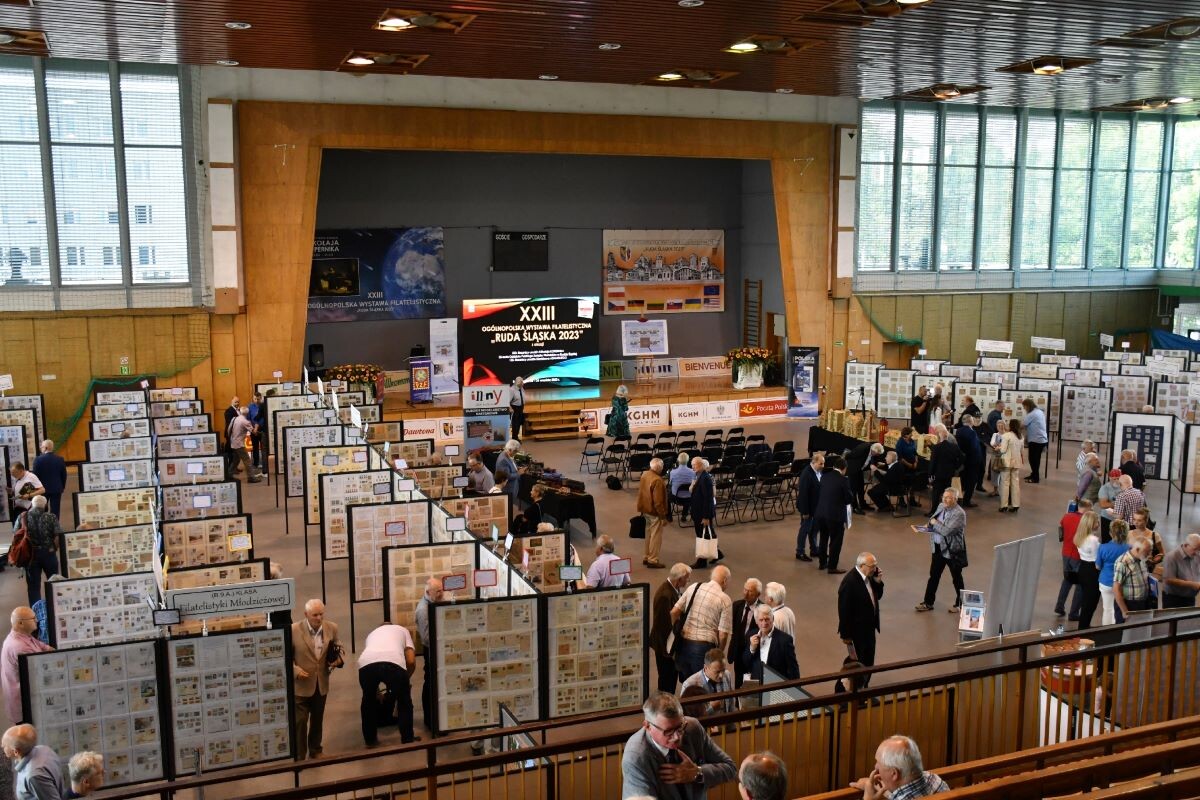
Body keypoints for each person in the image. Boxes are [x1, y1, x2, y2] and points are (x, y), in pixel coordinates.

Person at [619, 691, 736, 800]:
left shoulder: (693, 727)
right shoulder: (636, 756)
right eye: (668, 731)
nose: (677, 737)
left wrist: (697, 773)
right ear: (648, 726)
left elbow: (731, 768)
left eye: (680, 727)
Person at [291, 599, 342, 760]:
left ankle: (316, 750)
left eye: (321, 614)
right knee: (300, 722)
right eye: (315, 615)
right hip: (300, 685)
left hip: (321, 683)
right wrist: (295, 671)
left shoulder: (332, 628)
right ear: (306, 614)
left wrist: (338, 660)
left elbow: (339, 648)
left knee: (317, 719)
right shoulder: (293, 630)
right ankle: (299, 756)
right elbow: (285, 656)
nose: (319, 618)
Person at [357, 623, 418, 746]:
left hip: (365, 665)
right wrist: (405, 680)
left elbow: (373, 661)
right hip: (393, 662)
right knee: (404, 701)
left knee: (368, 702)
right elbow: (411, 661)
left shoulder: (371, 634)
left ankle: (370, 740)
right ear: (392, 625)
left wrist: (377, 692)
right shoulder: (403, 630)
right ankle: (407, 739)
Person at [670, 564, 732, 680]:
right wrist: (718, 653)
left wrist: (676, 630)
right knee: (703, 685)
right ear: (725, 581)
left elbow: (674, 612)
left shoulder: (694, 587)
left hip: (683, 646)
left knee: (688, 684)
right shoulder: (725, 600)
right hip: (704, 649)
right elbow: (723, 635)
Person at [914, 488, 967, 613]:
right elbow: (933, 520)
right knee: (934, 576)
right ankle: (928, 603)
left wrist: (934, 523)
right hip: (938, 548)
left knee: (956, 578)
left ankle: (961, 604)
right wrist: (928, 525)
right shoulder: (941, 506)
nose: (946, 500)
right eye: (944, 497)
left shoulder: (959, 514)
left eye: (949, 498)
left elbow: (946, 531)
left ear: (956, 499)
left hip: (951, 551)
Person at [851, 735, 949, 799]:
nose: (875, 766)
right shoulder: (934, 779)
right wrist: (886, 791)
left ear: (894, 774)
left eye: (878, 762)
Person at [838, 552, 884, 685]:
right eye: (872, 566)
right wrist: (846, 635)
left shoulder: (869, 576)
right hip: (857, 632)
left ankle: (864, 686)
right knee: (858, 662)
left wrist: (878, 581)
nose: (875, 569)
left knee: (869, 660)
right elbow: (843, 610)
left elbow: (878, 596)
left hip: (869, 629)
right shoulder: (849, 582)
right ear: (862, 565)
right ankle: (853, 687)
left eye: (876, 565)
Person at [2, 606, 53, 723]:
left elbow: (40, 645)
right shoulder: (20, 647)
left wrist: (50, 649)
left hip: (27, 697)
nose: (37, 620)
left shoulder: (22, 635)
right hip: (25, 704)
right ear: (20, 623)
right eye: (33, 618)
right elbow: (39, 672)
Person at [649, 564, 692, 693]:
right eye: (687, 578)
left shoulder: (672, 589)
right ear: (679, 579)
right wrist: (670, 652)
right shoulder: (665, 595)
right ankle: (664, 702)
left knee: (671, 679)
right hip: (665, 648)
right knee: (666, 681)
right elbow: (664, 627)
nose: (688, 581)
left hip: (668, 646)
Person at [814, 454, 854, 574]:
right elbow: (849, 499)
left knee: (823, 538)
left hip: (821, 513)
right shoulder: (843, 480)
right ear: (844, 468)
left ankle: (822, 563)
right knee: (836, 541)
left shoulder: (824, 477)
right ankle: (832, 567)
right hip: (835, 516)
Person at [3, 724, 64, 800]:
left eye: (5, 745)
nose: (2, 746)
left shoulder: (34, 775)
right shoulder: (44, 749)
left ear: (16, 752)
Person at [415, 578, 444, 731]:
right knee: (430, 683)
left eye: (441, 590)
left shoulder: (434, 602)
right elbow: (426, 638)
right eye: (438, 591)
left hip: (438, 648)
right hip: (431, 651)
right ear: (428, 592)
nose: (441, 594)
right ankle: (430, 721)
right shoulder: (423, 610)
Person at [22, 496, 61, 606]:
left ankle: (36, 610)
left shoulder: (23, 517)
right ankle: (55, 607)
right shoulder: (51, 517)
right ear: (45, 505)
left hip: (31, 555)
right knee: (54, 581)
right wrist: (53, 548)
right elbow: (58, 535)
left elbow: (16, 533)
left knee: (33, 586)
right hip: (48, 553)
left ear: (32, 505)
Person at [744, 604, 799, 681]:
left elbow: (793, 669)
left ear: (772, 619)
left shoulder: (785, 640)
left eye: (767, 619)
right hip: (756, 685)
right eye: (761, 620)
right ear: (756, 621)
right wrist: (752, 648)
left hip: (776, 685)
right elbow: (745, 663)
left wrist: (795, 687)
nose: (764, 623)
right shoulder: (750, 635)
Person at [1055, 499, 1090, 620]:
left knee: (1067, 580)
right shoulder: (1085, 521)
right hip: (1078, 555)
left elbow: (1062, 528)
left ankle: (1059, 606)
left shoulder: (1067, 516)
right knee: (1080, 584)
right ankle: (1074, 613)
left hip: (1066, 552)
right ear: (1087, 508)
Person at [680, 648, 737, 714]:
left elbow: (731, 703)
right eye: (717, 672)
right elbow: (686, 715)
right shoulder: (689, 684)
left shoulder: (727, 674)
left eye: (723, 670)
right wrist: (711, 709)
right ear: (706, 667)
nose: (721, 675)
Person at [1097, 519, 1130, 626]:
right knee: (1121, 609)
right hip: (1123, 583)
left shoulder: (1103, 547)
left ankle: (1107, 632)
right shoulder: (1130, 548)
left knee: (1107, 609)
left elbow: (1098, 566)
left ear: (1111, 533)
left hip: (1106, 581)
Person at [729, 578, 762, 687]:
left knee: (750, 685)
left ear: (758, 594)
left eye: (750, 591)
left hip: (752, 654)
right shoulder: (736, 605)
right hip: (738, 653)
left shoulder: (763, 610)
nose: (745, 594)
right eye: (745, 589)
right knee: (738, 683)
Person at [637, 457, 669, 569]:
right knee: (656, 537)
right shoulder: (658, 480)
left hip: (645, 509)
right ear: (660, 468)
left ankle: (646, 556)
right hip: (655, 512)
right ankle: (653, 560)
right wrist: (663, 516)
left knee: (648, 534)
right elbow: (658, 502)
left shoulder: (645, 474)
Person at [1073, 511, 1103, 629]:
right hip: (1092, 572)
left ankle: (1083, 625)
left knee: (1086, 600)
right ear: (1091, 523)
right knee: (1091, 602)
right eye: (1097, 522)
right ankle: (1084, 628)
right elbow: (1097, 560)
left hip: (1083, 568)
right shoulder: (1093, 539)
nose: (1098, 524)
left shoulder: (1079, 536)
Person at [690, 457, 719, 569]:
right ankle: (715, 554)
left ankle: (701, 561)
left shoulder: (705, 478)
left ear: (701, 465)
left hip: (702, 514)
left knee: (702, 537)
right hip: (699, 512)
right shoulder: (700, 476)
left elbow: (708, 499)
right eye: (692, 465)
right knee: (703, 535)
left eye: (694, 465)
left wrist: (706, 517)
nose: (692, 467)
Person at [1113, 538, 1153, 620]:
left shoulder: (1141, 558)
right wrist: (1124, 611)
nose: (1149, 555)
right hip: (1129, 605)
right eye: (1147, 552)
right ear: (1137, 549)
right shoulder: (1123, 562)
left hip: (1143, 603)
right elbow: (1116, 588)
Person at [794, 452, 824, 561]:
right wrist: (805, 512)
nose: (823, 466)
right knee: (805, 530)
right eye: (821, 463)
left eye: (823, 463)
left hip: (815, 507)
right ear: (814, 462)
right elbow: (803, 495)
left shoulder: (817, 471)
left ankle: (814, 550)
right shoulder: (807, 474)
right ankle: (800, 552)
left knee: (814, 529)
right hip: (807, 508)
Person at [927, 424, 962, 513]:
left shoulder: (936, 447)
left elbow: (933, 463)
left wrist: (930, 474)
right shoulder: (954, 447)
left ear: (940, 436)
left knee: (936, 494)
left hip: (938, 474)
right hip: (949, 473)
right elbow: (962, 457)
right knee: (947, 493)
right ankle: (946, 510)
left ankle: (933, 511)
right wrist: (956, 466)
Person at [30, 441, 66, 521]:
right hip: (56, 488)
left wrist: (35, 489)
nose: (40, 448)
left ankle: (43, 525)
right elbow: (64, 475)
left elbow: (35, 476)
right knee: (55, 510)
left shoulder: (38, 460)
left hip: (42, 489)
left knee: (42, 509)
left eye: (42, 447)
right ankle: (54, 526)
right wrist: (62, 486)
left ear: (45, 448)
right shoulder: (60, 459)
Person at [1162, 534, 1200, 609]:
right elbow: (1169, 580)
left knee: (1188, 615)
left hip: (1190, 596)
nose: (1197, 552)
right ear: (1186, 545)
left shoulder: (1196, 554)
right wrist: (1193, 585)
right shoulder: (1171, 557)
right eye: (1195, 549)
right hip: (1173, 598)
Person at [227, 406, 263, 482]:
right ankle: (251, 478)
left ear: (240, 412)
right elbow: (254, 432)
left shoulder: (234, 419)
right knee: (247, 461)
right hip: (239, 444)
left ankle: (229, 475)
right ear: (247, 413)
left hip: (233, 442)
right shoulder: (245, 422)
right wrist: (257, 427)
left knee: (236, 460)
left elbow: (229, 429)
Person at [953, 417, 982, 508]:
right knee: (972, 481)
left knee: (962, 479)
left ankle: (959, 498)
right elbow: (974, 447)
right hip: (972, 460)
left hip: (963, 459)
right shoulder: (972, 432)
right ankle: (967, 501)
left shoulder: (959, 431)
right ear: (971, 421)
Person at [997, 418, 1023, 513]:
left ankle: (1004, 505)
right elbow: (1022, 451)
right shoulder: (1021, 437)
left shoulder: (1006, 436)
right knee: (1015, 483)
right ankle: (1016, 505)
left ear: (1011, 426)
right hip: (1017, 462)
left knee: (1005, 483)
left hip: (1006, 462)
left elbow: (1003, 450)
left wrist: (998, 447)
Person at [494, 439, 522, 520]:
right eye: (515, 452)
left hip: (512, 488)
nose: (515, 454)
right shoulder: (503, 460)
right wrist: (518, 473)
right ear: (510, 450)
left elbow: (512, 466)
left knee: (508, 508)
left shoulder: (507, 455)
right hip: (508, 489)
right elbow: (507, 476)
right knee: (506, 511)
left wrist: (517, 469)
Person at [1021, 399, 1048, 484]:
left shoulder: (1032, 414)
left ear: (1028, 406)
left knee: (1033, 459)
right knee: (1035, 459)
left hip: (1036, 440)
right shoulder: (1039, 411)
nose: (1024, 409)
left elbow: (1023, 425)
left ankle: (1035, 478)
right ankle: (1033, 474)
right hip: (1040, 439)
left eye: (1024, 407)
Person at [669, 453, 695, 523]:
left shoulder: (672, 472)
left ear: (678, 460)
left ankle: (669, 516)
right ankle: (684, 515)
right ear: (688, 460)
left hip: (676, 498)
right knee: (687, 492)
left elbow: (670, 483)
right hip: (690, 498)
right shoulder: (693, 472)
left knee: (666, 495)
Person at [248, 392, 268, 470]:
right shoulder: (250, 407)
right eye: (255, 399)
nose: (256, 400)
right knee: (255, 447)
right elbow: (248, 419)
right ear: (253, 398)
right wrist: (252, 429)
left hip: (262, 430)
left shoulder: (264, 406)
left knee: (264, 448)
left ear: (261, 398)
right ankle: (256, 463)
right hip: (253, 430)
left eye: (258, 399)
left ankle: (264, 464)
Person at [508, 376, 526, 441]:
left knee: (519, 423)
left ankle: (516, 437)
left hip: (521, 408)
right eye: (521, 382)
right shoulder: (512, 390)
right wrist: (510, 408)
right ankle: (514, 437)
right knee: (515, 424)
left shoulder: (521, 388)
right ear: (518, 383)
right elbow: (507, 401)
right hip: (515, 408)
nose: (522, 383)